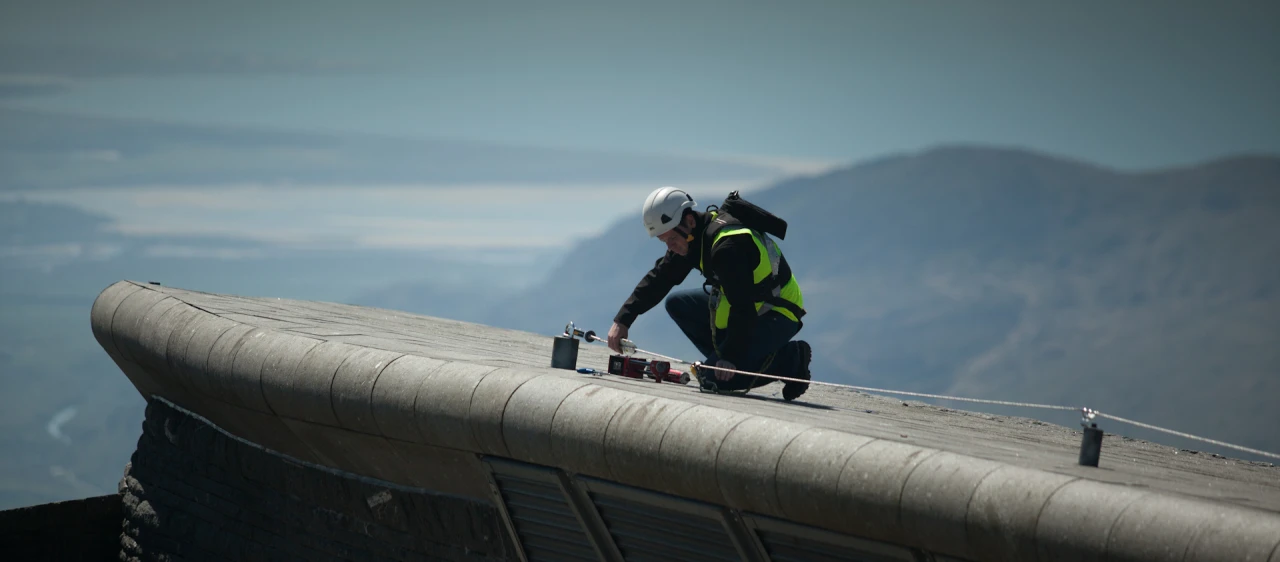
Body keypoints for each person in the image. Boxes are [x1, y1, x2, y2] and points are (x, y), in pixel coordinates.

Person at [607, 186, 812, 400]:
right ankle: (726, 361)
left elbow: (743, 308)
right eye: (664, 241)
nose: (670, 247)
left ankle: (791, 359)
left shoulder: (727, 248)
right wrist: (623, 319)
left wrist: (729, 357)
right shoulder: (691, 238)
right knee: (677, 304)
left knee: (713, 381)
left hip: (777, 311)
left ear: (690, 221)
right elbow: (660, 278)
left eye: (671, 240)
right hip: (748, 307)